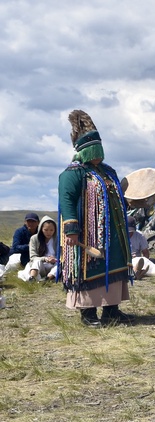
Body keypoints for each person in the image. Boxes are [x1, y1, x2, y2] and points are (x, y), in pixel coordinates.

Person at [59, 110, 133, 328]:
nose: (100, 155)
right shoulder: (73, 174)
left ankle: (112, 311)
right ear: (86, 150)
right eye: (95, 150)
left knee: (115, 266)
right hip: (88, 234)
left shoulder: (108, 171)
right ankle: (88, 313)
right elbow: (67, 200)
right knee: (90, 269)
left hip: (113, 234)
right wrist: (71, 229)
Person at [19, 215, 57, 282]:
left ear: (55, 230)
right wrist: (45, 259)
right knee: (37, 261)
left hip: (53, 266)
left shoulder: (57, 240)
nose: (48, 232)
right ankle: (32, 278)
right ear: (41, 229)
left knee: (60, 265)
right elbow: (33, 257)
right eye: (46, 230)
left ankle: (47, 279)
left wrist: (54, 259)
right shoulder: (34, 239)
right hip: (40, 266)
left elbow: (62, 256)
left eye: (51, 230)